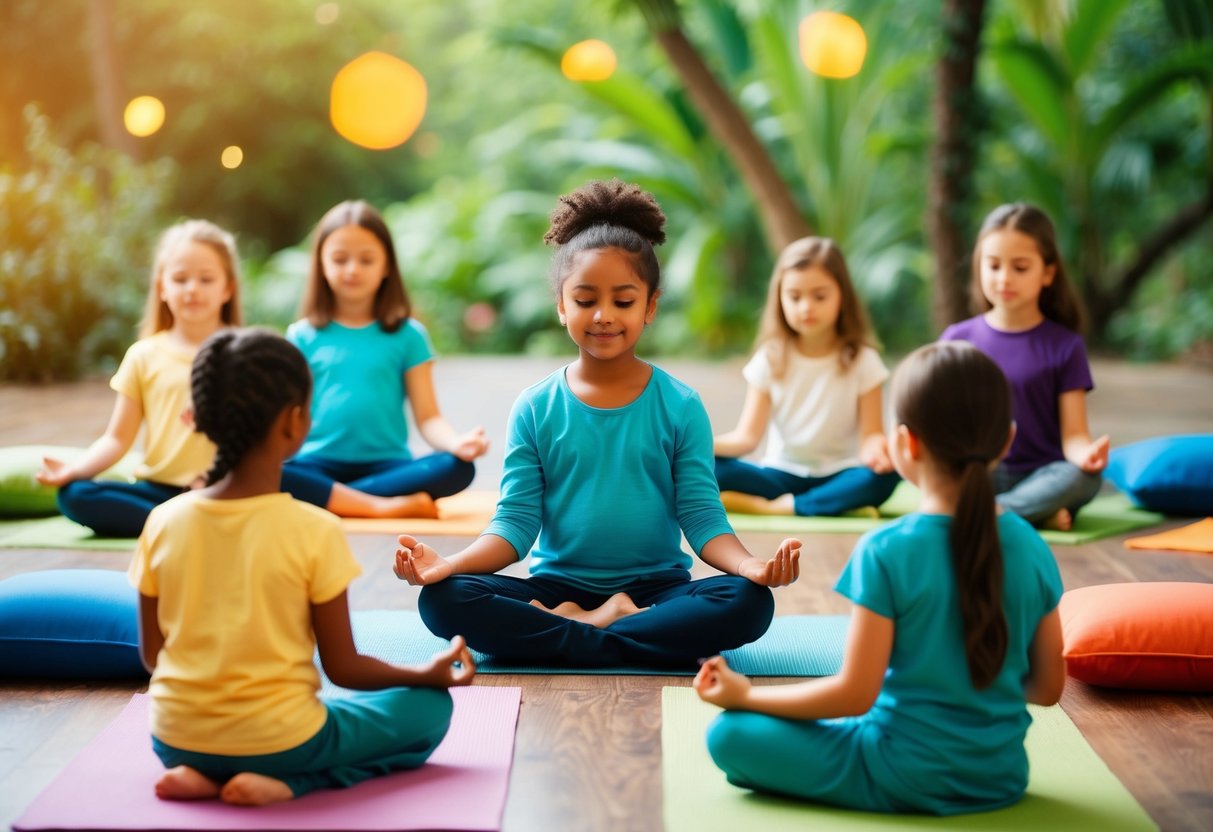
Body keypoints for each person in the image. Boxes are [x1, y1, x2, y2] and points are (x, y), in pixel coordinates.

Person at [394, 179, 800, 668]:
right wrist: (448, 565)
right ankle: (610, 628)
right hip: (555, 588)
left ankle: (578, 630)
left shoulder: (681, 404)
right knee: (442, 599)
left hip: (656, 591)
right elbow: (516, 525)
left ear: (649, 306)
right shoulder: (535, 406)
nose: (604, 315)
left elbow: (701, 516)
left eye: (623, 301)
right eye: (586, 300)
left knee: (749, 603)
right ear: (562, 306)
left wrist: (751, 566)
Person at [694, 341, 1066, 815]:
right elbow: (1048, 688)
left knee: (730, 735)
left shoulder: (887, 549)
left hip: (896, 772)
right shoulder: (1032, 545)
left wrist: (747, 696)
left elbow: (854, 694)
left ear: (906, 443)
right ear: (1007, 440)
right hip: (1001, 777)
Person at [130, 328, 476, 807]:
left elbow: (153, 656)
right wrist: (426, 674)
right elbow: (345, 668)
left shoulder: (161, 521)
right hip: (284, 744)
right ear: (295, 422)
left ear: (199, 419)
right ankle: (296, 783)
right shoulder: (314, 529)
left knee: (253, 729)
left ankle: (204, 773)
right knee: (428, 710)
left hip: (173, 739)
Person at [36, 220, 421, 538]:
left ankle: (373, 506)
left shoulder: (244, 351)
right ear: (162, 287)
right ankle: (187, 520)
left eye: (205, 279)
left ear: (227, 288)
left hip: (230, 485)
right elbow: (116, 438)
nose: (192, 289)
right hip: (159, 489)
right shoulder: (143, 355)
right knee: (75, 496)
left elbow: (264, 432)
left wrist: (221, 465)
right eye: (181, 278)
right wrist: (77, 469)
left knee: (291, 474)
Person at [285, 200, 490, 519]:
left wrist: (456, 442)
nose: (352, 269)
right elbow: (286, 415)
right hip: (315, 464)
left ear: (385, 267)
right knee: (268, 472)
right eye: (340, 259)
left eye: (366, 259)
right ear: (321, 264)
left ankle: (340, 502)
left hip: (387, 466)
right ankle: (381, 505)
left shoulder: (409, 335)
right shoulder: (301, 336)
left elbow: (428, 417)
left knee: (456, 468)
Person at [941, 203, 1108, 531]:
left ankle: (994, 513)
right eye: (993, 266)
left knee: (1085, 479)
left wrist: (1085, 455)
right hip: (976, 473)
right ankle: (1032, 513)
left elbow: (1074, 434)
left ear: (1048, 272)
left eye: (1020, 267)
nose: (1004, 278)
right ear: (979, 267)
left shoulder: (1065, 345)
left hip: (1042, 475)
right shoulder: (956, 339)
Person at [712, 236, 899, 517]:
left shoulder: (863, 360)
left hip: (840, 473)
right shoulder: (770, 357)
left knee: (887, 475)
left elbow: (872, 435)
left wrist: (882, 453)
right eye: (794, 297)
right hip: (778, 474)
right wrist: (698, 446)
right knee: (711, 468)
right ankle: (832, 505)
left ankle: (781, 508)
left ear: (842, 296)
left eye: (819, 296)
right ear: (780, 298)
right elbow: (746, 438)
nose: (806, 307)